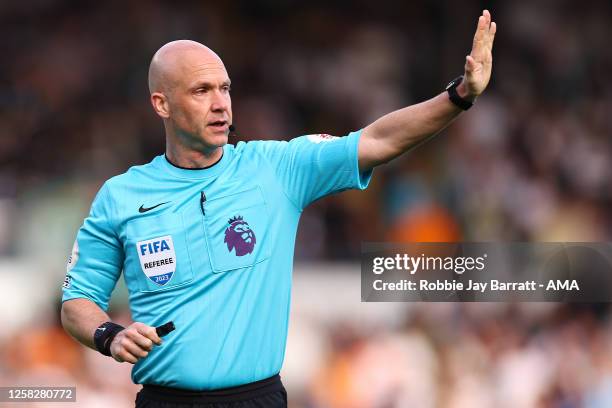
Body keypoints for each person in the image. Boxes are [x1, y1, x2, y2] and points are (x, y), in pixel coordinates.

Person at [60, 10, 496, 407]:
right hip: (166, 401)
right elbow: (77, 300)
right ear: (162, 104)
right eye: (201, 90)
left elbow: (379, 140)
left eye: (225, 88)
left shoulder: (275, 168)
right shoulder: (121, 195)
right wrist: (109, 336)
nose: (220, 103)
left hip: (259, 398)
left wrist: (459, 95)